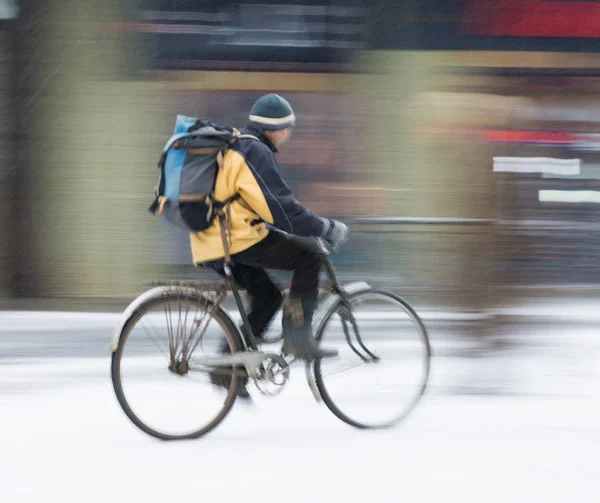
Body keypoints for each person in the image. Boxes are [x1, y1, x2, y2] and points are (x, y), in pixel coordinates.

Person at [191, 94, 349, 397]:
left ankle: (228, 372)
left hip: (212, 241)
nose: (289, 134)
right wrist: (324, 227)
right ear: (277, 127)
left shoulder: (239, 145)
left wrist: (303, 224)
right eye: (288, 127)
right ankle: (298, 338)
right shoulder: (254, 149)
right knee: (308, 256)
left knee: (267, 298)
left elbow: (266, 207)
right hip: (235, 240)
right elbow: (279, 207)